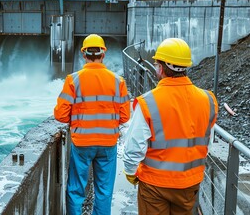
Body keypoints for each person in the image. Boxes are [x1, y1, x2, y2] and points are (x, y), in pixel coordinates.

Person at [122, 38, 218, 215]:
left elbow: (134, 145)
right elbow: (207, 142)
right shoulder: (208, 99)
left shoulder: (148, 102)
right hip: (189, 184)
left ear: (160, 68)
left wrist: (130, 170)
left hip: (154, 185)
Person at [54, 34, 130, 215]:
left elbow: (61, 115)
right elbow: (125, 116)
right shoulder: (118, 81)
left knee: (76, 189)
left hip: (82, 143)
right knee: (104, 191)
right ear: (103, 54)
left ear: (83, 55)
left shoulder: (73, 80)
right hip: (108, 143)